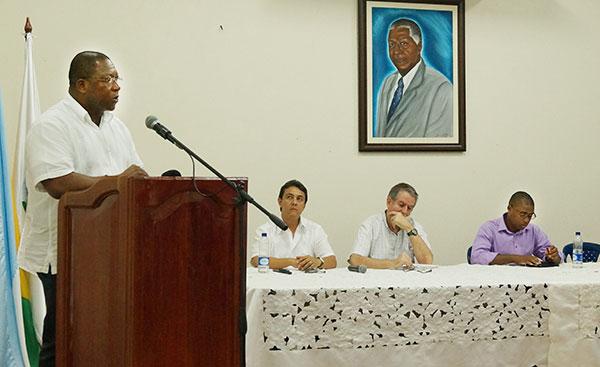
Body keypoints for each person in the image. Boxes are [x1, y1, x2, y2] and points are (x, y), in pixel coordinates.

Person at [18, 51, 147, 367]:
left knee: (100, 336)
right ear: (81, 85)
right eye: (108, 79)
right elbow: (57, 182)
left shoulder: (116, 128)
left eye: (117, 78)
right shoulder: (52, 125)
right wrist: (117, 181)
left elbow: (137, 177)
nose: (117, 86)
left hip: (108, 251)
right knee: (63, 337)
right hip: (63, 252)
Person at [375, 18, 453, 138]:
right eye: (391, 45)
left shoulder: (441, 88)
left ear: (419, 46)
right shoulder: (388, 83)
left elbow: (441, 143)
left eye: (404, 44)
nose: (397, 51)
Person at [250, 180, 337, 270]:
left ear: (304, 205)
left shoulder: (315, 229)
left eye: (299, 199)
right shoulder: (265, 230)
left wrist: (318, 262)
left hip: (307, 282)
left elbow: (332, 261)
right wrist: (290, 262)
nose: (294, 202)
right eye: (289, 197)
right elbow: (256, 260)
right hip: (275, 281)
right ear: (280, 201)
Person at [349, 182, 433, 269]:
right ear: (389, 202)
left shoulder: (414, 227)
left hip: (407, 280)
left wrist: (409, 228)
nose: (404, 211)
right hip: (376, 280)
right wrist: (393, 264)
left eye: (409, 208)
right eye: (401, 205)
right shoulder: (371, 224)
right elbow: (355, 260)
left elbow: (427, 262)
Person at [470, 191, 562, 265]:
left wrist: (554, 257)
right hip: (496, 282)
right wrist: (517, 259)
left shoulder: (533, 231)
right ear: (509, 208)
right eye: (522, 214)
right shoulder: (489, 228)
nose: (526, 220)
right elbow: (477, 257)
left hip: (526, 282)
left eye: (530, 216)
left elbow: (555, 257)